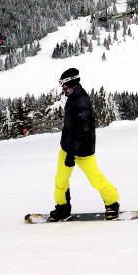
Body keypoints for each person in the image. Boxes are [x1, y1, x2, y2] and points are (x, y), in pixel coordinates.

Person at [49, 67, 120, 221]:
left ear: (71, 83)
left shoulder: (81, 100)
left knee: (95, 178)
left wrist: (72, 153)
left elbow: (83, 131)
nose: (62, 88)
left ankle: (112, 204)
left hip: (82, 151)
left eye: (63, 85)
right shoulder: (72, 98)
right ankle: (62, 208)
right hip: (67, 149)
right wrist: (67, 150)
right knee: (60, 180)